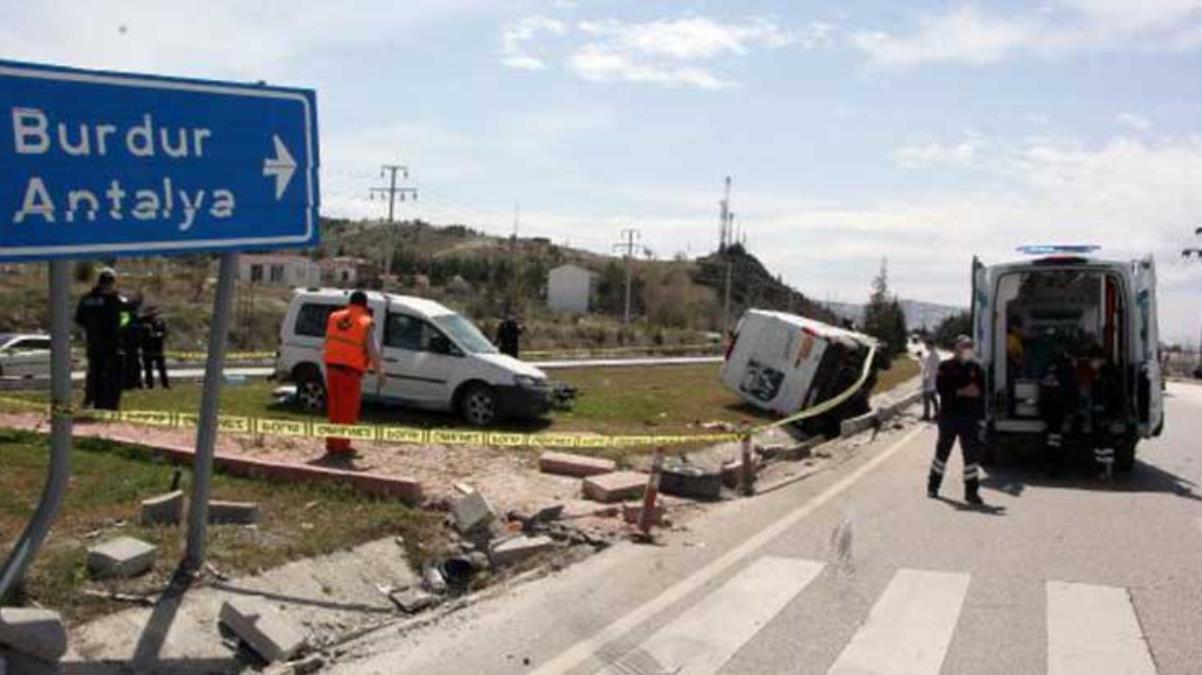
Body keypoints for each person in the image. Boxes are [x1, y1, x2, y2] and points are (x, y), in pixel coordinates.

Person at [927, 335, 986, 505]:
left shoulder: (976, 368)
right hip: (949, 417)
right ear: (956, 349)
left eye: (970, 346)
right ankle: (933, 486)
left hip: (969, 418)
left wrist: (963, 392)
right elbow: (942, 390)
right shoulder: (946, 367)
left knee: (971, 458)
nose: (968, 349)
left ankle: (971, 493)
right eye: (965, 346)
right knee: (942, 453)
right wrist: (961, 391)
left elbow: (979, 391)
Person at [322, 290, 383, 456]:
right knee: (347, 412)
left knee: (334, 409)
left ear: (350, 302)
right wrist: (380, 373)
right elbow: (372, 351)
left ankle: (332, 444)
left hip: (331, 369)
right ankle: (342, 447)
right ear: (365, 305)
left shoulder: (334, 317)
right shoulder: (365, 322)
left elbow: (327, 342)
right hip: (350, 372)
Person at [74, 268, 129, 411]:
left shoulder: (87, 299)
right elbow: (127, 319)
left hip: (103, 343)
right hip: (107, 344)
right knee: (102, 375)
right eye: (106, 283)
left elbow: (80, 320)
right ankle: (100, 403)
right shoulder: (118, 300)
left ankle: (102, 403)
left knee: (100, 374)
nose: (108, 286)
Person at [140, 307, 170, 389]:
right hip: (147, 348)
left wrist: (158, 335)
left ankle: (165, 385)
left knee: (161, 368)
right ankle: (150, 385)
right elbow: (141, 334)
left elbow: (164, 332)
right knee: (148, 369)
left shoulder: (159, 322)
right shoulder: (143, 322)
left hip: (158, 348)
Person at [121, 292, 144, 390]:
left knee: (135, 365)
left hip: (134, 344)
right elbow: (123, 328)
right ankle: (130, 383)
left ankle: (136, 383)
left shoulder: (135, 316)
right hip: (128, 345)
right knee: (130, 365)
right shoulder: (126, 316)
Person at [919, 337, 941, 421]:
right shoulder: (935, 354)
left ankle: (926, 415)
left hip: (929, 379)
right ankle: (938, 413)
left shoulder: (931, 355)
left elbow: (928, 368)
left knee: (926, 398)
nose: (925, 346)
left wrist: (925, 379)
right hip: (933, 379)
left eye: (926, 344)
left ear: (930, 344)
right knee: (933, 397)